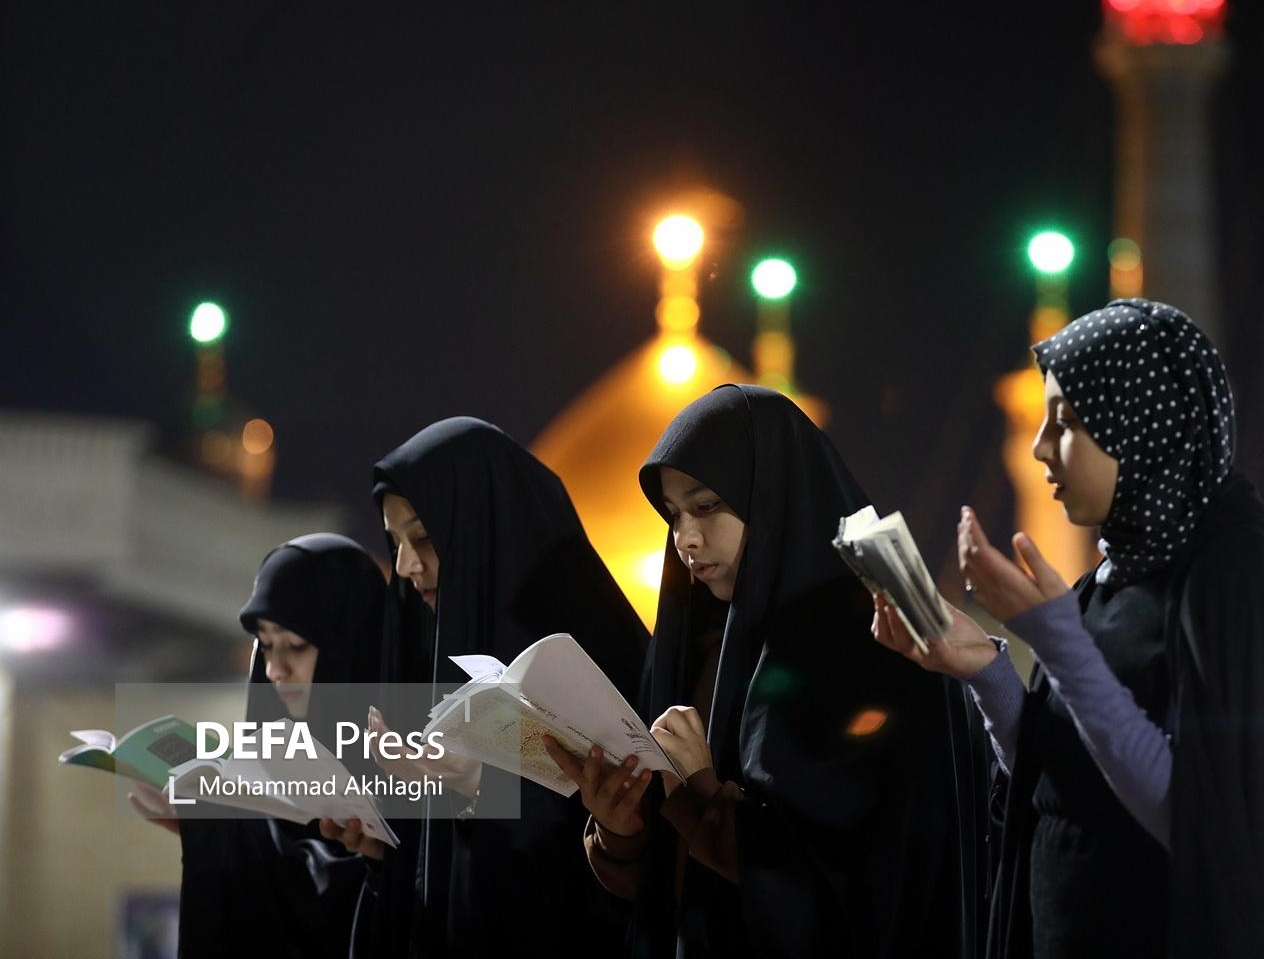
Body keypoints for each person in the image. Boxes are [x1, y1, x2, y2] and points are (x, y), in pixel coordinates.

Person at [873, 298, 1264, 958]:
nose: (1040, 447)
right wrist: (984, 669)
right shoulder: (1115, 573)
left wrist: (1058, 640)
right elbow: (1067, 774)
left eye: (1067, 423)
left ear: (1140, 424)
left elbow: (1202, 824)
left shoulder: (1237, 572)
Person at [554, 384, 989, 958]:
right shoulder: (697, 644)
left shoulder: (877, 643)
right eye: (673, 514)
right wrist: (620, 832)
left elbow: (855, 882)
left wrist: (701, 797)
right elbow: (673, 887)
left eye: (707, 506)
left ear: (773, 493)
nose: (685, 538)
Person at [323, 416, 649, 956]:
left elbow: (616, 861)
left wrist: (479, 783)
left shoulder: (595, 649)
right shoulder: (435, 654)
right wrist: (385, 850)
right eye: (394, 541)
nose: (404, 565)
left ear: (482, 529)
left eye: (424, 538)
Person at [131, 533, 386, 958]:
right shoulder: (266, 765)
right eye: (265, 645)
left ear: (352, 642)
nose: (274, 670)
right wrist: (206, 827)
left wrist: (378, 864)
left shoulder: (414, 763)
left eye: (295, 645)